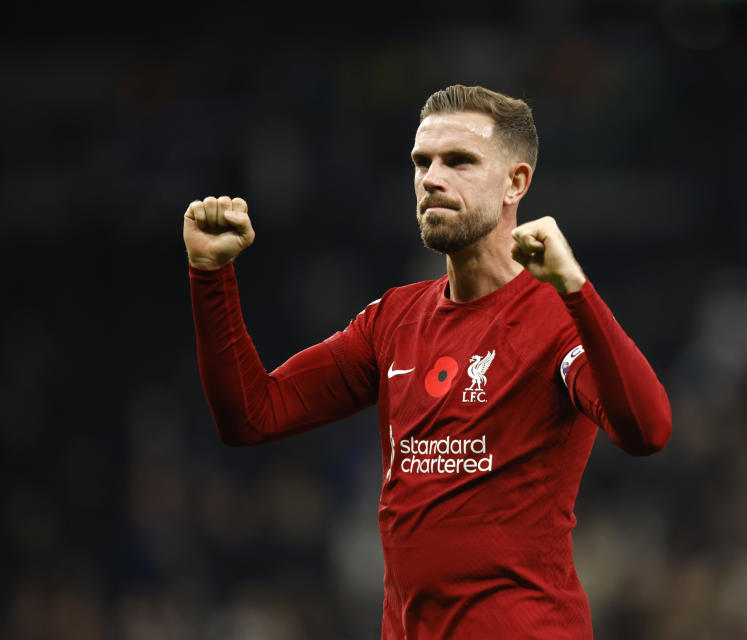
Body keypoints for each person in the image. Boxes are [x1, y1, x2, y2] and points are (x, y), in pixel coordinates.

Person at [184, 85, 671, 639]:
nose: (432, 178)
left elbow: (647, 431)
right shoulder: (393, 319)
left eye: (459, 161)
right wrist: (209, 275)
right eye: (422, 162)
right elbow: (252, 415)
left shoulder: (557, 319)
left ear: (516, 182)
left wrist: (576, 289)